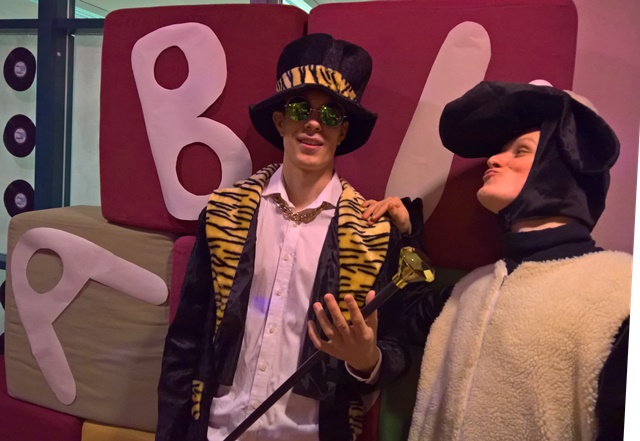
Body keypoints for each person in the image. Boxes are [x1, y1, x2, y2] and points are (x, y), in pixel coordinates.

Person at [155, 33, 416, 441]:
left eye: (330, 114)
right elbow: (185, 340)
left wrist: (367, 360)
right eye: (299, 108)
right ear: (280, 120)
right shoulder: (223, 215)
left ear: (343, 131)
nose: (313, 122)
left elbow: (399, 348)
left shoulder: (372, 235)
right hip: (218, 431)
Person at [350, 81, 630, 440]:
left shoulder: (621, 292)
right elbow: (407, 315)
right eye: (500, 150)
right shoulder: (472, 290)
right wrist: (407, 234)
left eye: (521, 150)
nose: (494, 160)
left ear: (564, 165)